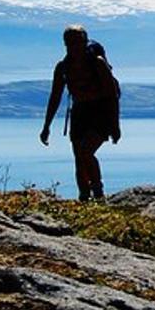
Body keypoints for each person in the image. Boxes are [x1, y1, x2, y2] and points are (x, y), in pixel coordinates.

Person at [39, 25, 120, 201]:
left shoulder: (98, 63)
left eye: (78, 42)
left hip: (100, 112)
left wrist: (115, 126)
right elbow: (55, 96)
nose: (74, 46)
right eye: (70, 43)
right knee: (78, 156)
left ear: (84, 42)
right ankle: (84, 195)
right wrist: (46, 126)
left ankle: (98, 193)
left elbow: (112, 95)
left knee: (85, 152)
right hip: (79, 112)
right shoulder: (63, 67)